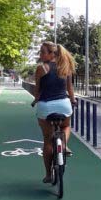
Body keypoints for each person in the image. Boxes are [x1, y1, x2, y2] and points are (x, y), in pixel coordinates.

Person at [30, 42, 76, 184]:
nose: (40, 55)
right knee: (66, 126)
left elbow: (37, 91)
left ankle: (48, 175)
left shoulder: (41, 68)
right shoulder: (65, 68)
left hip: (45, 107)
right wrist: (73, 100)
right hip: (63, 105)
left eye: (43, 52)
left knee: (47, 140)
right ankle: (64, 144)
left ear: (52, 54)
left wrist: (35, 100)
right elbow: (70, 90)